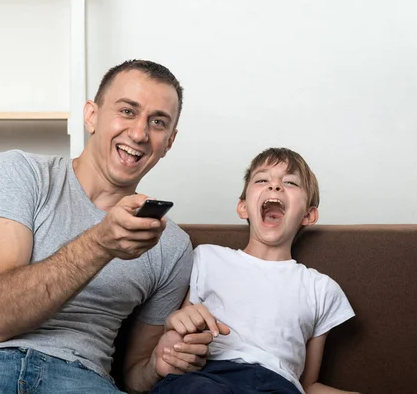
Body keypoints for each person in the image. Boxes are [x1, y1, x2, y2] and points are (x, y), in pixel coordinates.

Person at [0, 60, 211, 394]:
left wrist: (158, 365)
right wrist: (100, 244)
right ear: (91, 115)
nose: (139, 133)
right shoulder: (19, 173)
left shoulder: (172, 247)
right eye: (127, 111)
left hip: (81, 379)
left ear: (169, 142)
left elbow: (134, 375)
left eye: (158, 122)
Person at [151, 148, 359, 394]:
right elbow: (182, 330)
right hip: (208, 376)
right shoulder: (207, 258)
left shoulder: (321, 288)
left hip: (279, 385)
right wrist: (175, 328)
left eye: (290, 182)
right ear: (243, 207)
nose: (275, 187)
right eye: (262, 180)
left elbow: (308, 384)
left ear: (309, 214)